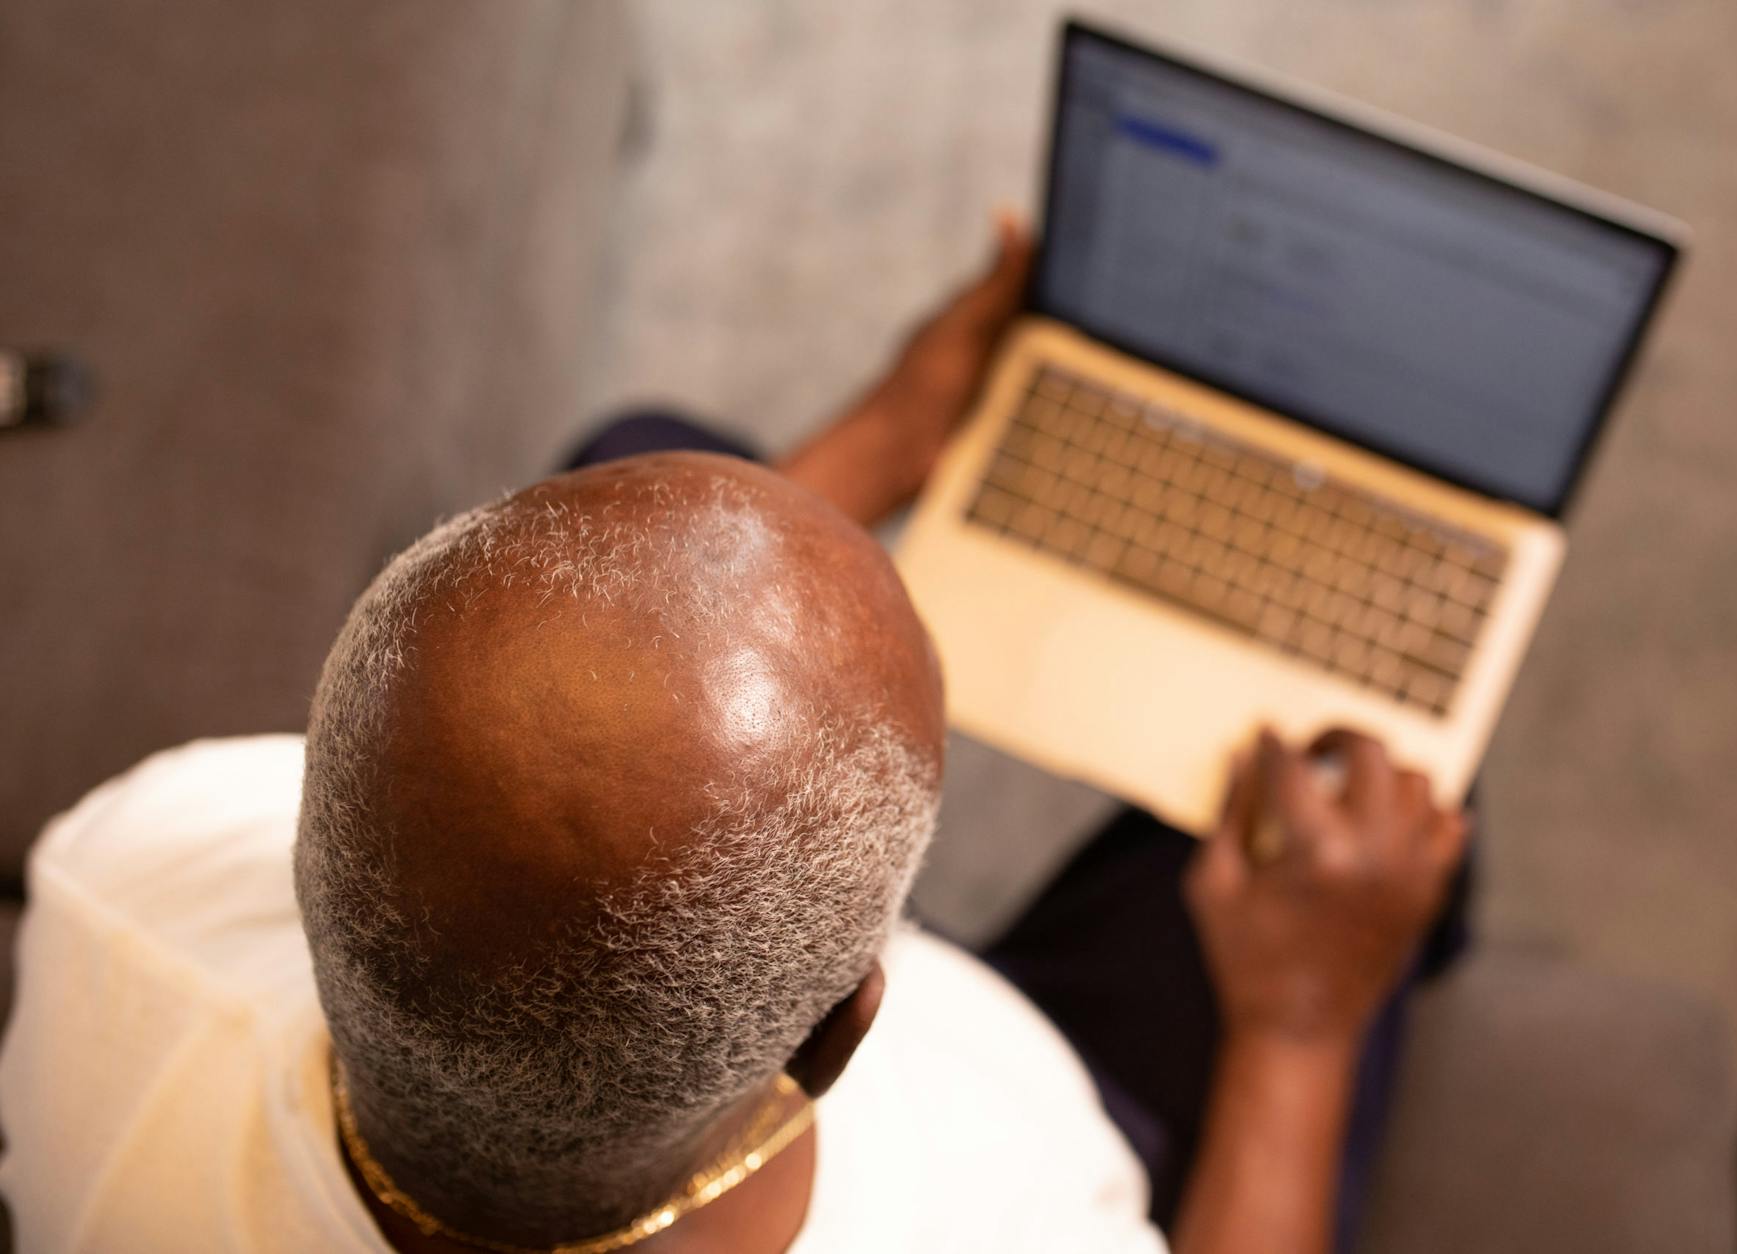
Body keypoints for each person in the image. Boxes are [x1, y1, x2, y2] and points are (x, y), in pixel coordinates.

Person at [0, 216, 1468, 1253]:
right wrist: (1296, 1021)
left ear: (321, 811)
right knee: (1383, 796)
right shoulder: (1010, 1213)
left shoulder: (121, 875)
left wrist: (884, 443)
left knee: (636, 458)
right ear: (839, 1033)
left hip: (692, 1013)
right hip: (1071, 1071)